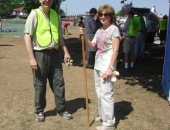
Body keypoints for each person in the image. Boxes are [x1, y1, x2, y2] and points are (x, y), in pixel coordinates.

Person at [24, 0, 72, 122]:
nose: (47, 1)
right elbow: (27, 36)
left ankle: (61, 109)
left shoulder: (55, 14)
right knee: (40, 84)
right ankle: (39, 111)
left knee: (58, 82)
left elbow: (60, 36)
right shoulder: (34, 14)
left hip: (55, 54)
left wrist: (65, 52)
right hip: (40, 54)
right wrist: (31, 58)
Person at [80, 4, 120, 130]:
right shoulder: (99, 30)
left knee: (107, 93)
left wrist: (110, 68)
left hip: (107, 65)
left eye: (106, 14)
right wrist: (85, 35)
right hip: (98, 65)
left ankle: (109, 123)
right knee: (99, 92)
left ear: (111, 16)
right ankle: (102, 115)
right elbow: (91, 46)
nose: (103, 16)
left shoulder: (114, 29)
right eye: (101, 14)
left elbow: (116, 50)